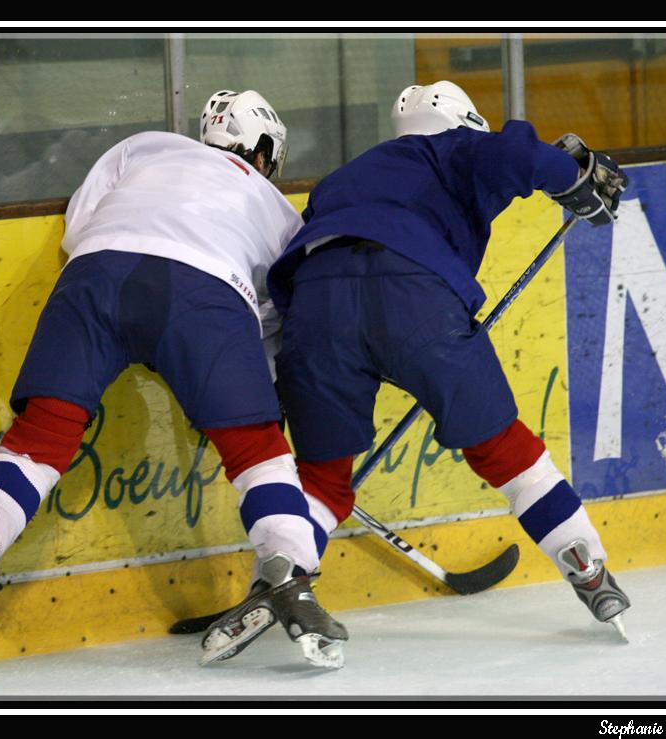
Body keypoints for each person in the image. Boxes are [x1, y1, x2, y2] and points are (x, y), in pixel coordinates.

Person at [0, 90, 348, 683]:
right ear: (263, 152)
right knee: (258, 450)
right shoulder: (277, 207)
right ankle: (287, 575)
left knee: (40, 438)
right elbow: (276, 310)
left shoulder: (145, 148)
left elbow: (81, 225)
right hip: (205, 291)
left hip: (96, 273)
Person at [266, 81, 632, 637]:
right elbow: (520, 154)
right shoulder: (455, 146)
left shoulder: (343, 177)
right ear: (465, 122)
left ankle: (281, 574)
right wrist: (574, 179)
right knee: (501, 445)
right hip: (416, 297)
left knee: (323, 477)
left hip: (317, 305)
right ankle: (582, 559)